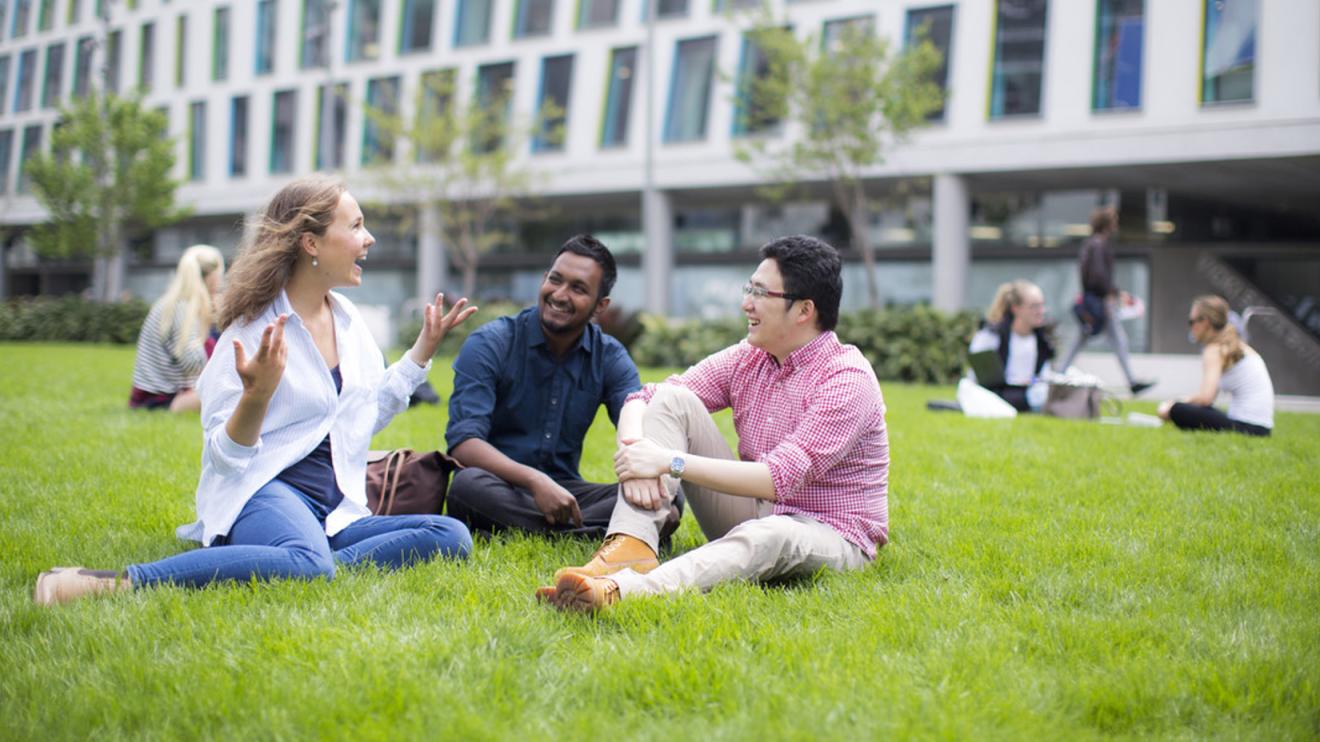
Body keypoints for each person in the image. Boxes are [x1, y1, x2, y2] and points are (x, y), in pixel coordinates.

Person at [34, 175, 478, 605]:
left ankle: (283, 561)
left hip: (332, 508)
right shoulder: (251, 331)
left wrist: (422, 350)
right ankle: (118, 583)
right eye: (356, 226)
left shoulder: (349, 322)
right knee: (310, 565)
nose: (370, 238)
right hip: (263, 492)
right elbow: (225, 459)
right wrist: (257, 395)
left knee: (450, 535)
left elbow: (364, 418)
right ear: (311, 243)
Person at [538, 235, 888, 612]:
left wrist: (668, 462)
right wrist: (637, 454)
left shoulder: (846, 379)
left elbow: (778, 479)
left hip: (832, 534)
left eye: (760, 292)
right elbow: (647, 397)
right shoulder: (749, 357)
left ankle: (626, 591)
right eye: (748, 288)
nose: (746, 303)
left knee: (773, 534)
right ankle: (630, 545)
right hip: (753, 512)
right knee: (674, 401)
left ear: (803, 310)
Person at [444, 235, 671, 540]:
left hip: (567, 491)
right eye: (555, 280)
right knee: (466, 486)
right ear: (544, 280)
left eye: (578, 289)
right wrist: (535, 481)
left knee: (666, 499)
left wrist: (649, 479)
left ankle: (527, 530)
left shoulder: (609, 357)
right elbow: (464, 442)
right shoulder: (491, 343)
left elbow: (640, 429)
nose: (560, 295)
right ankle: (591, 532)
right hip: (497, 484)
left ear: (599, 306)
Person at [1054, 206, 1154, 395]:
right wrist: (1113, 293)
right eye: (1113, 221)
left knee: (1088, 338)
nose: (1116, 225)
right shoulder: (1098, 245)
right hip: (1101, 301)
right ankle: (1132, 381)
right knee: (1115, 340)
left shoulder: (1091, 245)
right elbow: (1099, 276)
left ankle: (1059, 373)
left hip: (1095, 299)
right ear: (1108, 224)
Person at [1157, 295, 1274, 436]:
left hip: (1247, 427)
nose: (1191, 328)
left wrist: (1173, 403)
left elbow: (1206, 398)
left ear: (1205, 322)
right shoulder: (1232, 344)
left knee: (1178, 409)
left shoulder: (1214, 350)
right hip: (1261, 428)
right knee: (1192, 410)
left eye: (1191, 321)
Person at [129, 244, 225, 412]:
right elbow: (194, 364)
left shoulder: (174, 303)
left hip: (157, 395)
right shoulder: (184, 308)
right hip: (160, 400)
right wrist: (218, 325)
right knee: (233, 393)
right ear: (212, 277)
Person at [968, 280, 1054, 412]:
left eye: (1042, 305)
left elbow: (1042, 378)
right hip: (995, 394)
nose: (1041, 311)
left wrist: (1033, 383)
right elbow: (975, 376)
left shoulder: (1042, 341)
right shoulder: (992, 335)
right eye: (1034, 306)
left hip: (1028, 396)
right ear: (1016, 309)